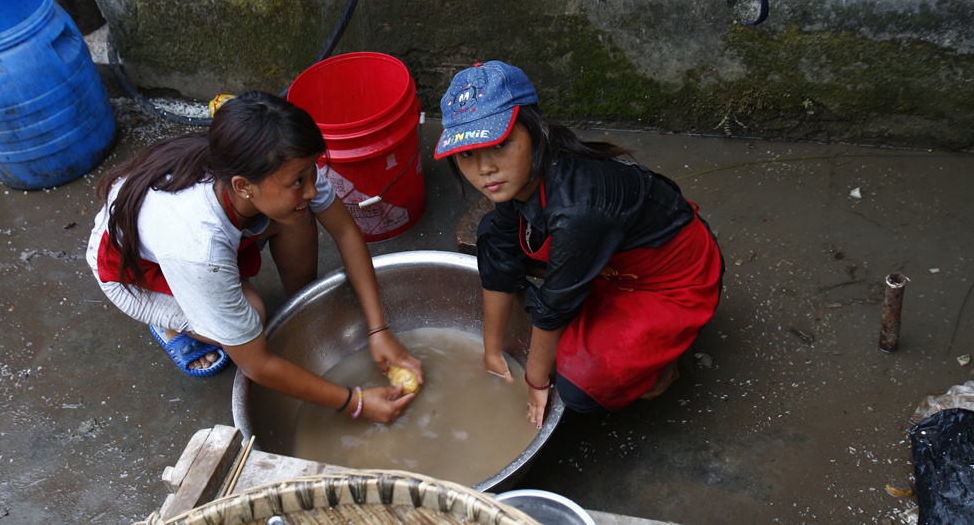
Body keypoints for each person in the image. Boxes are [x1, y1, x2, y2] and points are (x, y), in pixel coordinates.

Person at [86, 90, 422, 423]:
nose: (311, 188)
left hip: (204, 240)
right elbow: (255, 364)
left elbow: (346, 232)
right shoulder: (199, 249)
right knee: (254, 315)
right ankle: (171, 325)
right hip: (135, 274)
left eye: (311, 173)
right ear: (244, 186)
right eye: (298, 181)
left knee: (297, 214)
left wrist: (379, 329)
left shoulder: (280, 164)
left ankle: (300, 309)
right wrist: (355, 402)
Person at [434, 61, 724, 428]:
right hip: (605, 260)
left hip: (671, 281)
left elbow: (555, 307)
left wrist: (536, 381)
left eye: (501, 144)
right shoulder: (514, 179)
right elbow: (502, 260)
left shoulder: (578, 207)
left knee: (578, 385)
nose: (485, 169)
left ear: (537, 130)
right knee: (493, 235)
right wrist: (491, 354)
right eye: (467, 154)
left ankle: (657, 368)